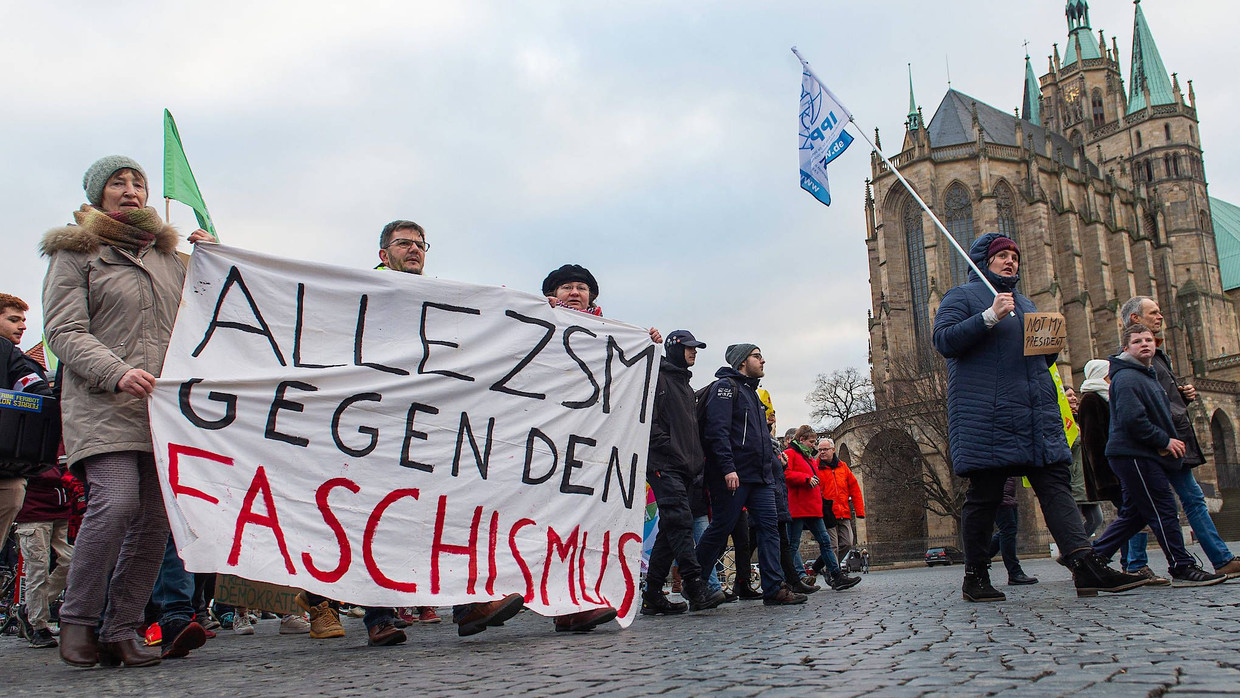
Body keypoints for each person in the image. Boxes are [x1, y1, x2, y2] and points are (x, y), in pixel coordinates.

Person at [41, 156, 211, 667]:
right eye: (119, 183)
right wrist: (114, 371)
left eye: (138, 182)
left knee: (156, 520)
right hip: (102, 401)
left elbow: (212, 314)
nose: (132, 190)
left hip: (162, 410)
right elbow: (64, 331)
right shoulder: (77, 253)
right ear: (98, 194)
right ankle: (78, 620)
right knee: (115, 504)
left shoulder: (169, 258)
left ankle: (121, 628)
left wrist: (211, 262)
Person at [932, 232, 1145, 602]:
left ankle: (1085, 567)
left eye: (1014, 255)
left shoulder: (1026, 303)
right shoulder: (962, 297)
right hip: (988, 415)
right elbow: (944, 340)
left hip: (1035, 413)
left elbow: (1037, 362)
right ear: (984, 261)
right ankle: (976, 576)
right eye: (1002, 256)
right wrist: (988, 316)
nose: (1010, 261)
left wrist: (1049, 346)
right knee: (985, 496)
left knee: (1055, 488)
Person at [1089, 324, 1225, 587]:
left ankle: (1092, 560)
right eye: (1137, 341)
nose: (1145, 344)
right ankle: (1181, 566)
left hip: (1139, 454)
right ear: (1126, 348)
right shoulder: (1128, 377)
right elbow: (1132, 419)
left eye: (1149, 339)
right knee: (1164, 508)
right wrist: (1164, 440)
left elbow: (1154, 413)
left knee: (1136, 513)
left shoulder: (1144, 374)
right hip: (1135, 455)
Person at [1118, 296, 1240, 579]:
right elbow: (1139, 406)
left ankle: (1218, 558)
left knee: (1182, 499)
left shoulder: (1157, 354)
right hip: (1155, 443)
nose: (1160, 316)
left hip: (1170, 439)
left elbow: (1159, 399)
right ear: (1135, 319)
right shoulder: (1134, 356)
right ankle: (1131, 563)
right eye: (1153, 312)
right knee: (1142, 506)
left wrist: (1180, 397)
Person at [695, 344, 805, 606]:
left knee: (770, 529)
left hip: (761, 476)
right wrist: (727, 467)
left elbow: (759, 438)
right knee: (721, 528)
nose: (763, 360)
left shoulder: (753, 394)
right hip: (735, 475)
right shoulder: (725, 388)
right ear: (742, 362)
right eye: (757, 356)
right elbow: (717, 432)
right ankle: (694, 580)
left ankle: (774, 588)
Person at [641, 330, 727, 615]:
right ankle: (694, 584)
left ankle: (653, 593)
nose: (695, 352)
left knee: (671, 529)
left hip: (684, 468)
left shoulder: (686, 387)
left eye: (696, 348)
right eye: (690, 347)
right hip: (665, 465)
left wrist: (694, 461)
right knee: (680, 521)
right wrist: (670, 451)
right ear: (675, 349)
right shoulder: (659, 379)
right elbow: (649, 423)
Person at [0, 293, 53, 548]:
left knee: (12, 493)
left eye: (23, 320)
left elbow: (31, 385)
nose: (22, 326)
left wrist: (47, 398)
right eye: (13, 319)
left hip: (5, 465)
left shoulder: (13, 357)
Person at [784, 427, 859, 591]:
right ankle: (792, 579)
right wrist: (805, 478)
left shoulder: (808, 457)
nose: (814, 446)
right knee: (793, 545)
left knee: (826, 543)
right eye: (812, 442)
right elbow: (786, 474)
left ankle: (836, 576)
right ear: (802, 439)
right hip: (798, 507)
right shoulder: (790, 454)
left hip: (813, 507)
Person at [13, 461, 77, 648]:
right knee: (37, 568)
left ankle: (30, 611)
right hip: (33, 511)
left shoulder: (61, 437)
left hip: (61, 509)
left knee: (71, 562)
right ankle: (37, 625)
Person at [1063, 386, 1105, 537]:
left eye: (1075, 395)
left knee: (1096, 519)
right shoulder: (1061, 422)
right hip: (1073, 479)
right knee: (1072, 522)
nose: (1074, 398)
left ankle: (1078, 548)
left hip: (1087, 480)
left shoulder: (1081, 418)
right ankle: (1073, 552)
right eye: (1069, 396)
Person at [816, 438, 865, 561]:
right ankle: (834, 572)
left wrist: (859, 511)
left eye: (825, 449)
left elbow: (855, 489)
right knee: (832, 546)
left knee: (847, 542)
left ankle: (826, 564)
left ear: (833, 450)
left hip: (844, 512)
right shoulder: (815, 468)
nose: (822, 452)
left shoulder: (843, 467)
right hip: (827, 514)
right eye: (820, 450)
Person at [986, 477, 1038, 585]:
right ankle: (1014, 572)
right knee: (1007, 530)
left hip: (1008, 496)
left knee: (1007, 531)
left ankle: (981, 558)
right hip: (1001, 496)